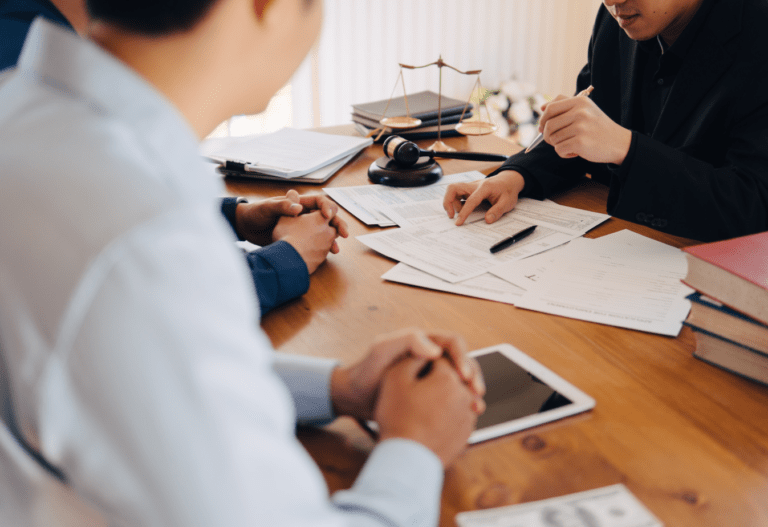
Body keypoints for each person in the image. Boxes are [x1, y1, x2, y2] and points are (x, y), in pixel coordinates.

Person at [0, 1, 487, 526]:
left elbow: (135, 373)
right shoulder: (142, 237)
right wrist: (415, 447)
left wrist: (339, 386)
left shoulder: (23, 115)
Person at [0, 0, 349, 316]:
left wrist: (233, 216)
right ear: (270, 6)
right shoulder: (140, 213)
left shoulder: (35, 104)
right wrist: (289, 258)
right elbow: (181, 310)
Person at [443, 0, 768, 242]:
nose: (612, 0)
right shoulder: (622, 15)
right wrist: (517, 175)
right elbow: (584, 123)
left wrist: (626, 148)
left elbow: (753, 205)